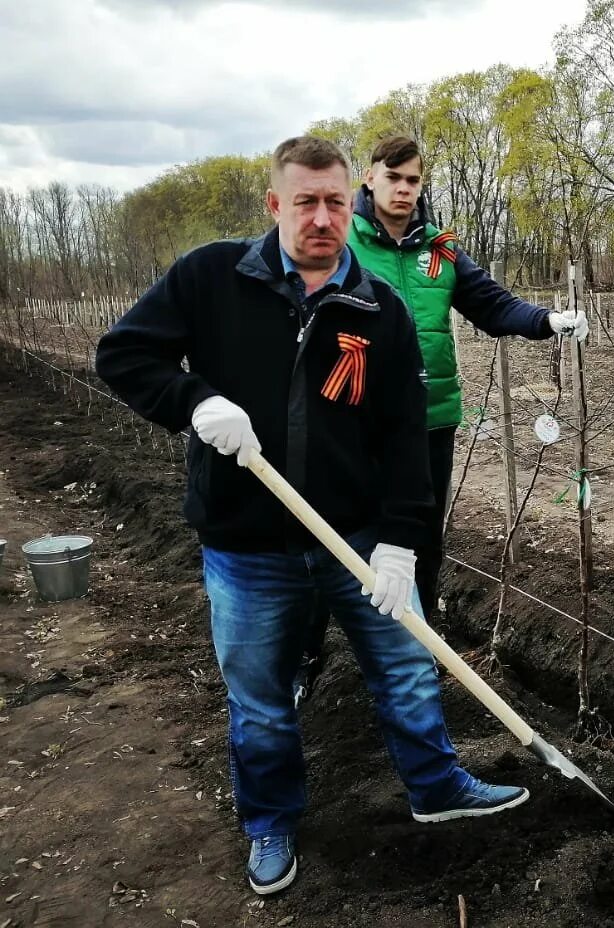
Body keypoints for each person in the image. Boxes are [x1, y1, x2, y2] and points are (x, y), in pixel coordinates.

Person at [95, 136, 530, 897]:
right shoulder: (209, 279)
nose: (322, 217)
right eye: (305, 202)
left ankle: (436, 787)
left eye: (333, 201)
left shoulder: (377, 306)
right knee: (261, 698)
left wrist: (399, 542)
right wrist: (195, 402)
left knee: (404, 665)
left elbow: (403, 434)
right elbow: (123, 356)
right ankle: (269, 820)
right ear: (275, 204)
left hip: (354, 537)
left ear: (347, 201)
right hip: (247, 542)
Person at [291, 134, 588, 706]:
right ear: (369, 178)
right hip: (348, 421)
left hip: (429, 419)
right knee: (332, 537)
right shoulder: (340, 241)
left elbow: (493, 305)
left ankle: (415, 651)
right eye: (392, 177)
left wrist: (547, 320)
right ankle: (308, 653)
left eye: (413, 180)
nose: (403, 189)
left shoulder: (441, 250)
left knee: (419, 541)